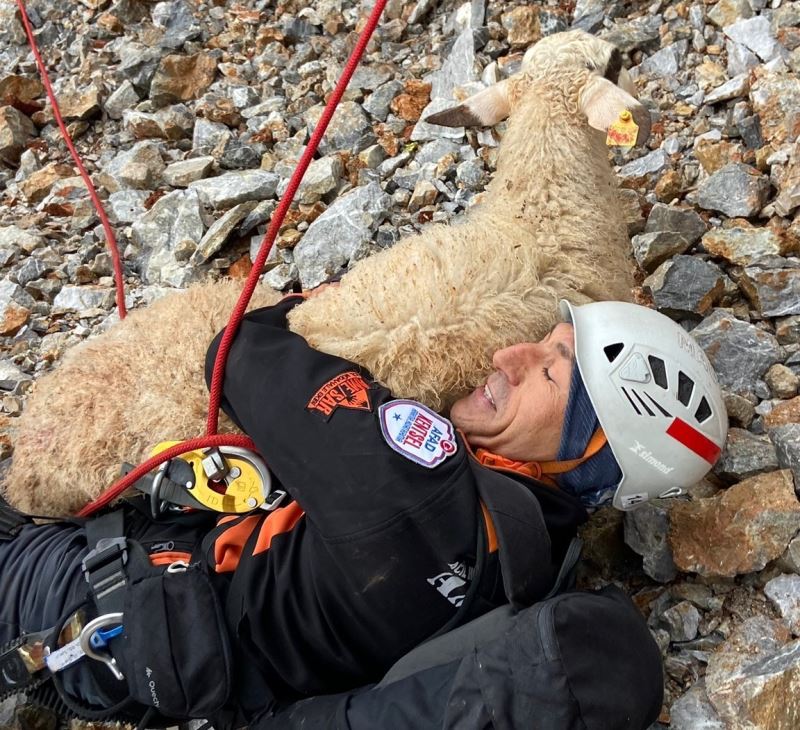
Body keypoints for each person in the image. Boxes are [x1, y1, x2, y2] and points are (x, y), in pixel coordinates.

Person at [0, 294, 727, 727]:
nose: (508, 354)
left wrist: (305, 308)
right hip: (173, 657)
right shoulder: (537, 559)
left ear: (592, 453)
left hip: (90, 597)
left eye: (547, 370)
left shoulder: (420, 482)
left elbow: (243, 350)